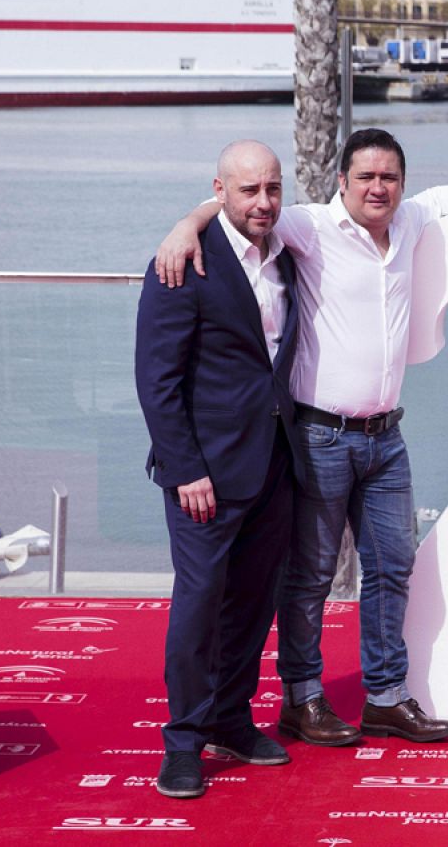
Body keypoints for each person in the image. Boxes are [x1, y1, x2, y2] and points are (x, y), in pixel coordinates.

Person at [156, 129, 448, 747]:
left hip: (387, 438)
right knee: (309, 574)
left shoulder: (411, 219)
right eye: (364, 177)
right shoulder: (308, 227)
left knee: (392, 568)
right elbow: (241, 212)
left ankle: (388, 698)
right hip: (320, 436)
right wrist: (186, 225)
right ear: (342, 182)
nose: (377, 187)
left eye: (388, 177)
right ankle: (302, 699)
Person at [135, 141, 300, 798]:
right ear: (219, 191)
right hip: (203, 474)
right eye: (247, 191)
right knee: (199, 607)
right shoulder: (182, 263)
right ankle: (183, 741)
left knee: (254, 604)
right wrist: (184, 469)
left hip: (276, 463)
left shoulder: (288, 254)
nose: (262, 202)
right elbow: (156, 378)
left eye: (272, 189)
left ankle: (232, 717)